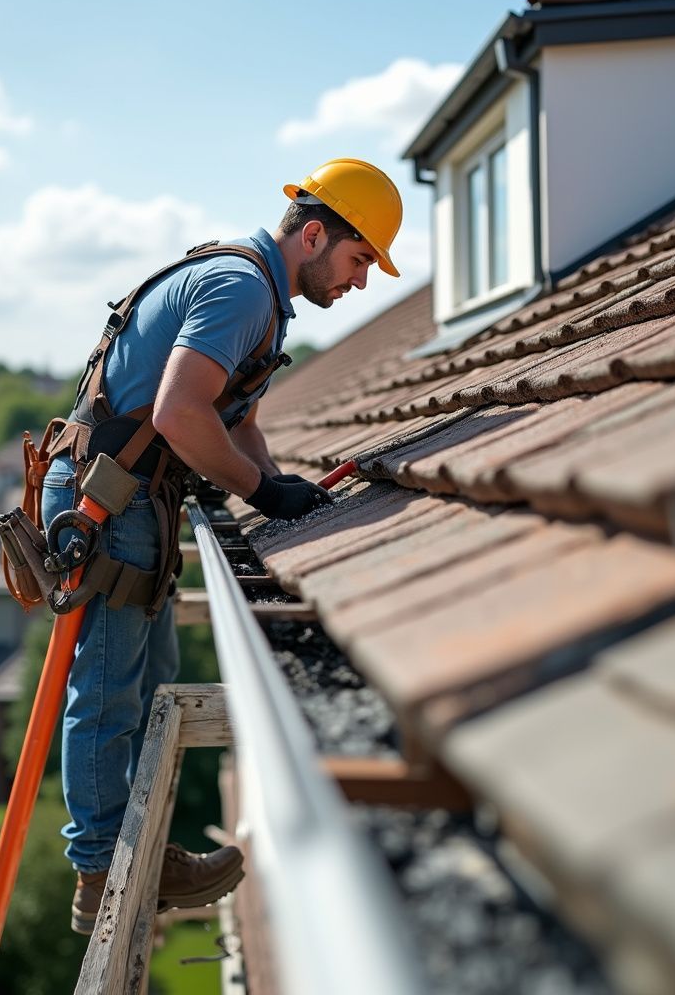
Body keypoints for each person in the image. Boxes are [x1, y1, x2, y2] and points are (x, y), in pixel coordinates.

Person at [39, 158, 403, 935]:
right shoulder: (242, 289)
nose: (361, 282)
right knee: (107, 692)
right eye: (359, 258)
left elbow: (233, 423)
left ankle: (139, 852)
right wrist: (262, 493)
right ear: (314, 234)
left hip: (132, 497)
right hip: (106, 501)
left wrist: (280, 480)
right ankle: (101, 871)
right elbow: (178, 414)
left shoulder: (260, 296)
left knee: (153, 676)